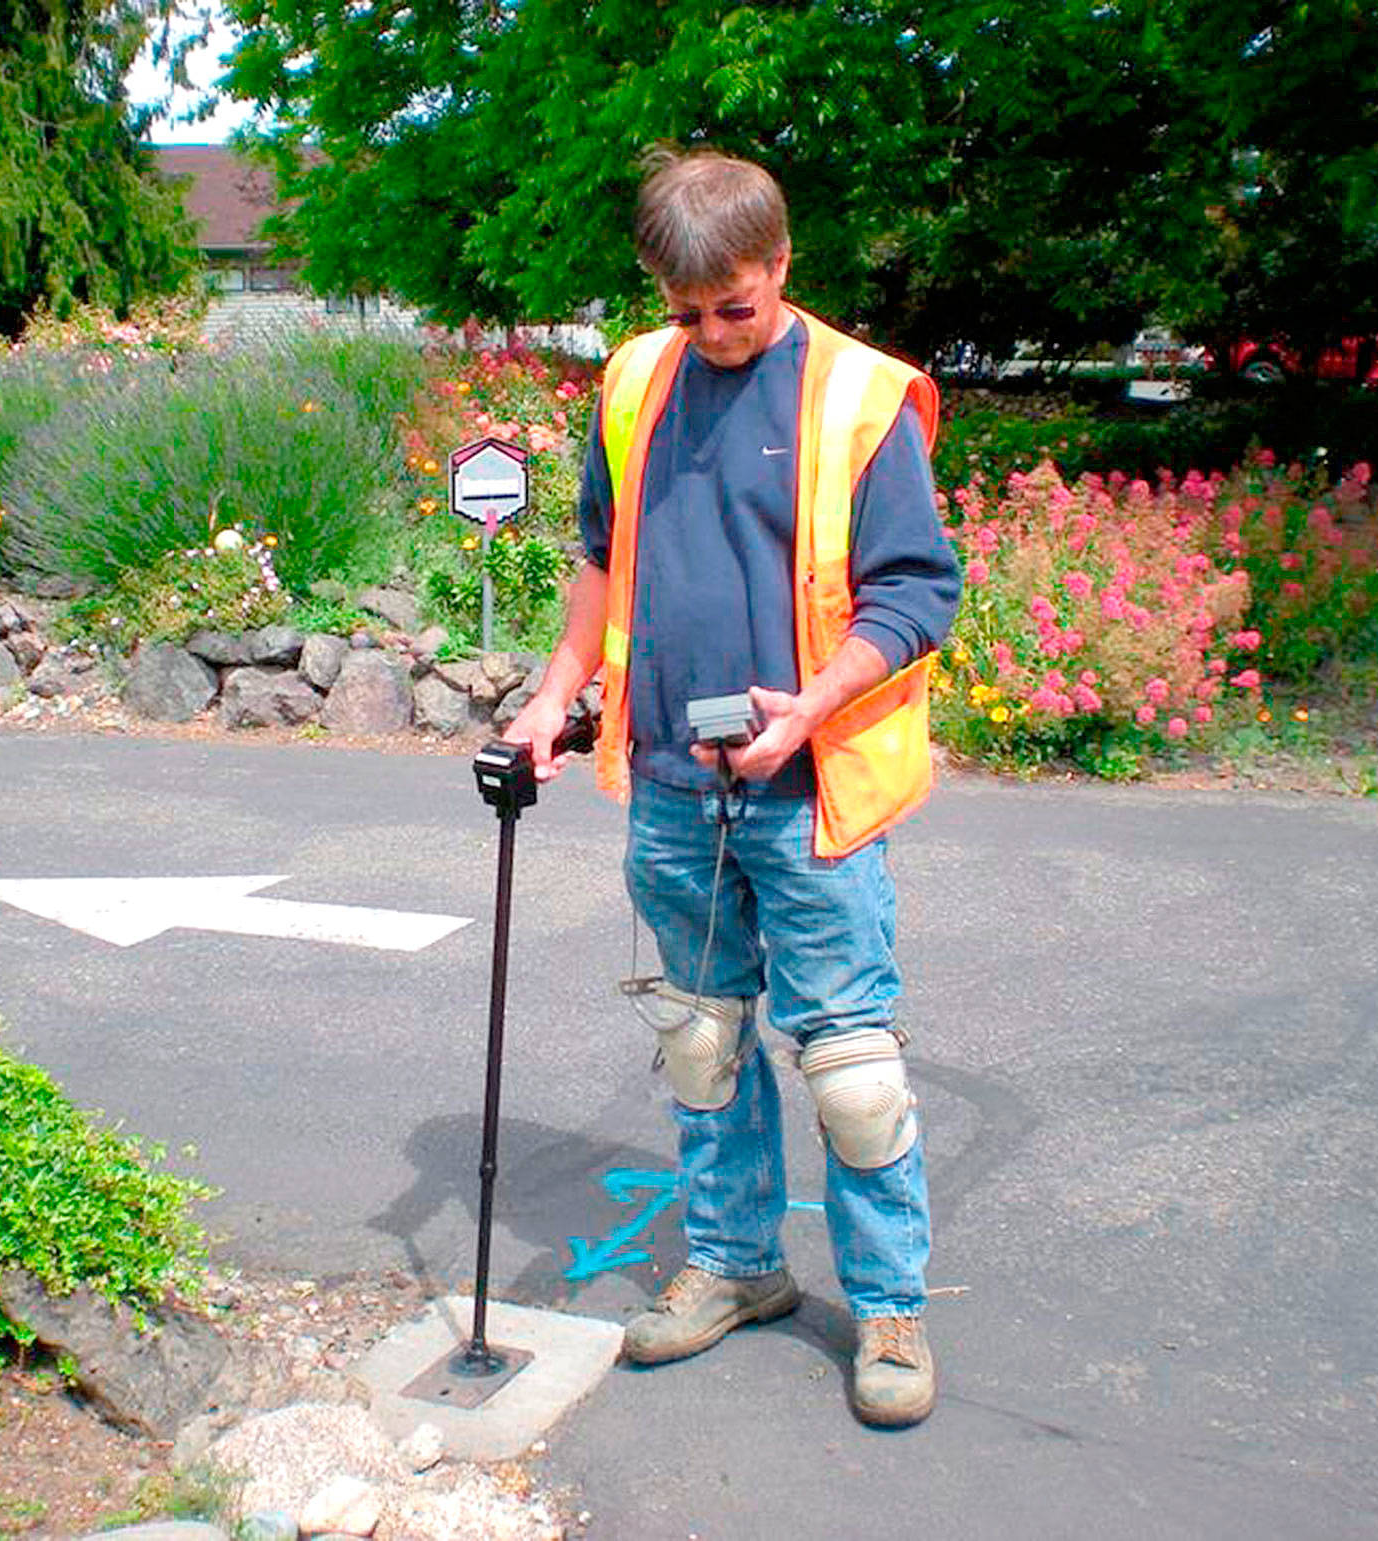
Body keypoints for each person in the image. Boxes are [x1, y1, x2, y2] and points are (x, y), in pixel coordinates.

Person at [505, 147, 961, 1428]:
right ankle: (736, 1265)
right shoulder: (635, 379)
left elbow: (918, 591)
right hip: (667, 782)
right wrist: (556, 694)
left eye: (733, 308)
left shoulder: (861, 398)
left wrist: (810, 705)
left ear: (780, 265)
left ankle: (888, 1312)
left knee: (852, 1074)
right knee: (701, 1044)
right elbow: (600, 555)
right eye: (682, 309)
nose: (707, 334)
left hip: (808, 784)